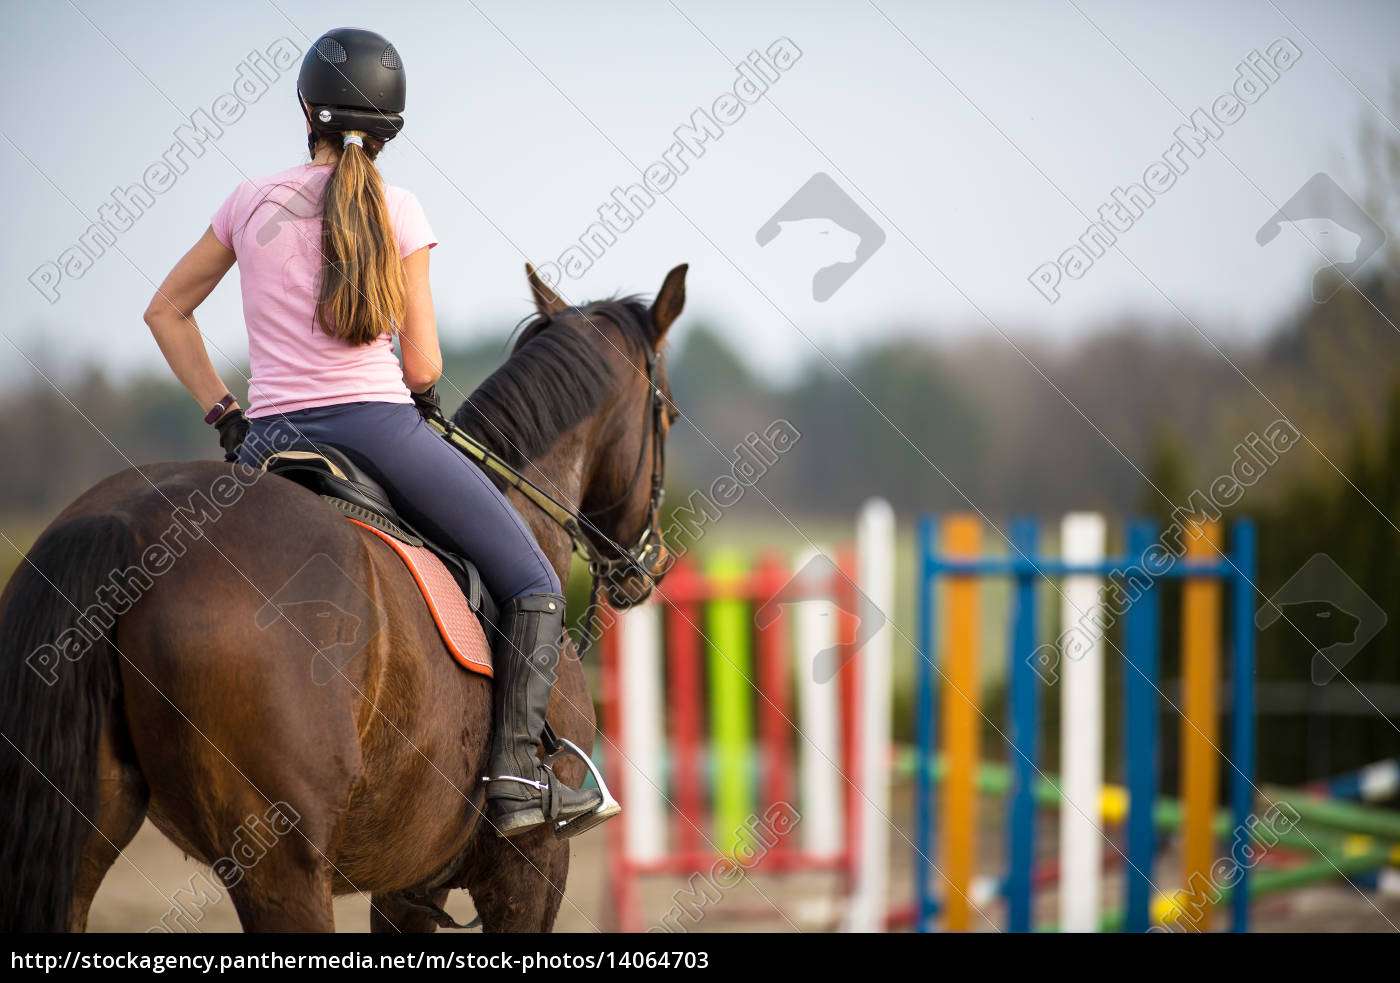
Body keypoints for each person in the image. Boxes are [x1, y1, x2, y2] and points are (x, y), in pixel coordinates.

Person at [143, 27, 604, 838]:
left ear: (304, 109)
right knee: (533, 581)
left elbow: (166, 311)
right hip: (379, 429)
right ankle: (512, 780)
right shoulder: (401, 208)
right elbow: (422, 366)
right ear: (392, 125)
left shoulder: (248, 199)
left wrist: (226, 412)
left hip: (268, 442)